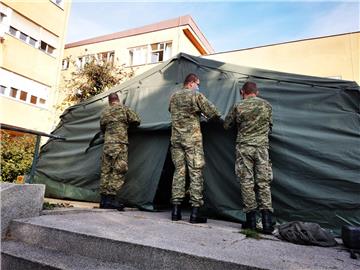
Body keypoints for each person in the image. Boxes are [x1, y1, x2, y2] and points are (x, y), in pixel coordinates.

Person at [169, 73, 221, 223]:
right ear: (191, 83)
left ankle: (175, 212)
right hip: (192, 141)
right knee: (195, 172)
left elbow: (173, 112)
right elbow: (214, 112)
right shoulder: (195, 96)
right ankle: (194, 213)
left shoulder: (173, 97)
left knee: (178, 172)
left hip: (176, 140)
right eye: (198, 84)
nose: (198, 87)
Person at [224, 81, 274, 234]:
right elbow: (270, 127)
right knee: (263, 182)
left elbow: (227, 125)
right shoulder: (267, 106)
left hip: (244, 148)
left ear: (242, 92)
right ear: (256, 92)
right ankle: (267, 223)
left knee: (246, 183)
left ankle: (251, 222)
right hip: (261, 148)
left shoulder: (238, 106)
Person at [99, 93, 140, 210]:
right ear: (118, 100)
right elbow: (137, 120)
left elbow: (102, 128)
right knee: (119, 171)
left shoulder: (104, 112)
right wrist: (127, 126)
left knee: (105, 171)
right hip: (120, 144)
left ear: (109, 101)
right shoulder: (124, 109)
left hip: (107, 145)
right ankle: (111, 199)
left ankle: (103, 200)